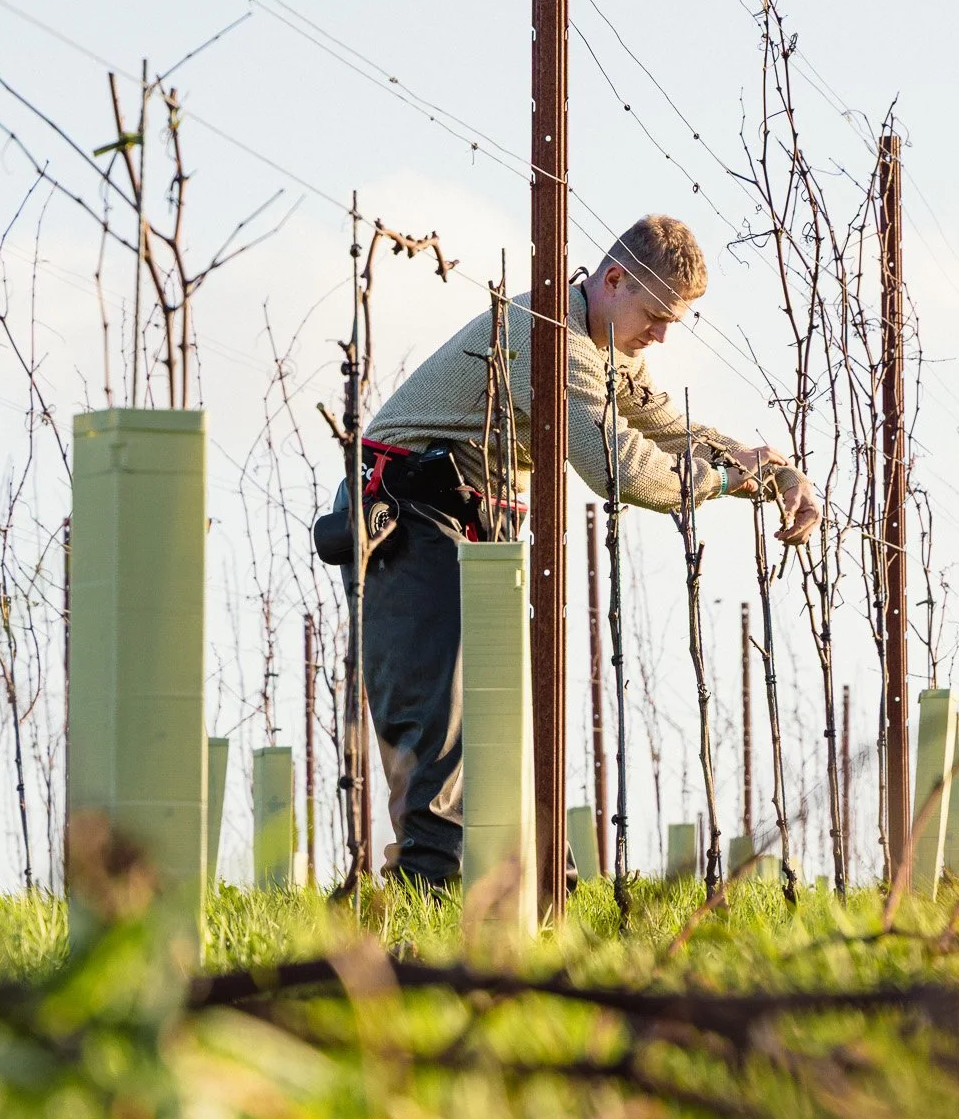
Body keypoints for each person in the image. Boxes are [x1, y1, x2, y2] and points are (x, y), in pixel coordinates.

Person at [346, 214, 821, 887]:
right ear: (615, 279)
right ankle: (429, 897)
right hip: (410, 505)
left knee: (508, 710)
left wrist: (772, 473)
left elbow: (672, 429)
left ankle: (537, 884)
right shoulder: (552, 339)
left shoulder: (606, 351)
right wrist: (718, 479)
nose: (659, 335)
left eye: (672, 324)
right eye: (655, 316)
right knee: (438, 720)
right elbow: (621, 466)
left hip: (474, 515)